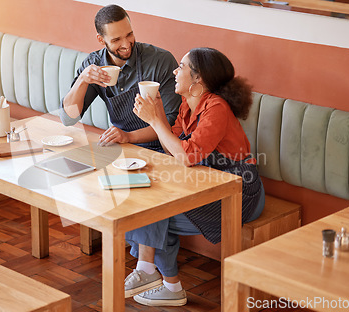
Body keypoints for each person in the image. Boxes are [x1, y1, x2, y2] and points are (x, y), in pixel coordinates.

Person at [126, 47, 265, 306]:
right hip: (205, 182)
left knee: (153, 213)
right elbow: (174, 149)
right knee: (144, 205)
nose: (174, 71)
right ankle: (154, 275)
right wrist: (157, 114)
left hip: (239, 191)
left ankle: (162, 280)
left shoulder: (217, 108)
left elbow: (188, 156)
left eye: (181, 66)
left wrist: (156, 123)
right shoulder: (187, 107)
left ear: (198, 79)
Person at [60, 4, 181, 149]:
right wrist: (82, 80)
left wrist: (128, 136)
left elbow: (171, 123)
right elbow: (68, 118)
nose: (126, 45)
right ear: (100, 39)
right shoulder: (94, 64)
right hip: (121, 149)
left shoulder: (161, 61)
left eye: (129, 35)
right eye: (116, 40)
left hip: (162, 150)